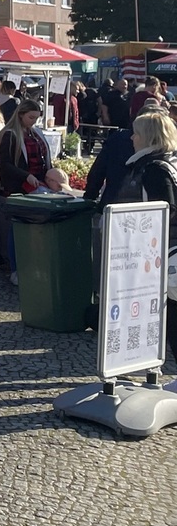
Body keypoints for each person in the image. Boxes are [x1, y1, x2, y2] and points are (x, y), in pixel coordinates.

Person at [96, 110, 177, 362]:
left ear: (148, 137)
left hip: (162, 253)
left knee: (170, 315)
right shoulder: (166, 162)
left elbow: (165, 209)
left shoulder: (154, 168)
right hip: (161, 251)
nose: (132, 138)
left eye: (137, 133)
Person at [0, 100, 49, 280]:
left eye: (36, 118)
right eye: (30, 117)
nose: (33, 121)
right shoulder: (11, 135)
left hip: (37, 185)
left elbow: (44, 160)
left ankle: (29, 267)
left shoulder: (35, 133)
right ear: (20, 115)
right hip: (19, 188)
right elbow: (5, 164)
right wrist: (26, 176)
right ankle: (16, 269)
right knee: (17, 229)